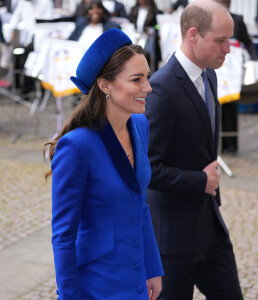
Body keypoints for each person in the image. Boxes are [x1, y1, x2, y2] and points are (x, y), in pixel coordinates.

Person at [44, 28, 164, 300]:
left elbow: (140, 202)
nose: (148, 87)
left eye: (147, 76)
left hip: (135, 278)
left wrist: (152, 268)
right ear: (105, 85)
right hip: (97, 284)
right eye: (137, 79)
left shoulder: (140, 126)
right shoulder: (76, 146)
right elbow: (63, 236)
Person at [144, 1, 244, 299]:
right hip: (173, 238)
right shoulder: (161, 90)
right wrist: (201, 182)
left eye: (230, 40)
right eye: (220, 41)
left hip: (209, 226)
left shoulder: (209, 74)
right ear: (192, 35)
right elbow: (147, 168)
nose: (228, 49)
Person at [215, 0, 258, 155]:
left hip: (231, 72)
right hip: (215, 70)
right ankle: (214, 146)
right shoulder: (209, 19)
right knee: (213, 110)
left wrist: (255, 62)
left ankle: (231, 146)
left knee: (230, 110)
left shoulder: (238, 20)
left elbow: (248, 43)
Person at [128, 0, 162, 71]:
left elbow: (158, 27)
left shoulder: (155, 12)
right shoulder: (134, 10)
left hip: (149, 41)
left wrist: (152, 29)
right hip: (136, 38)